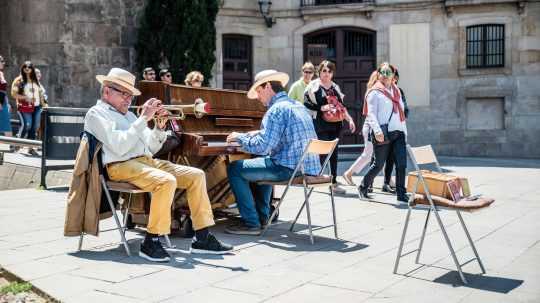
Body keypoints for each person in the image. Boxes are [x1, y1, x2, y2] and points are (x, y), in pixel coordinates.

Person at [84, 67, 233, 262]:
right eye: (124, 94)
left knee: (196, 175)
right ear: (106, 91)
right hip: (120, 166)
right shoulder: (96, 114)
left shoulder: (129, 116)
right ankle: (151, 242)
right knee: (166, 181)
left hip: (145, 162)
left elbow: (152, 148)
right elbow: (119, 146)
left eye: (130, 95)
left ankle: (202, 238)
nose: (129, 99)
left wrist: (159, 127)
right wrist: (144, 118)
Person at [225, 70, 321, 235]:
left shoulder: (276, 110)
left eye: (259, 91)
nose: (258, 97)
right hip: (307, 168)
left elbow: (263, 146)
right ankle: (264, 217)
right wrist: (256, 134)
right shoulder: (297, 105)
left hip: (289, 170)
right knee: (264, 158)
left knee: (235, 169)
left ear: (268, 86)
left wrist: (239, 137)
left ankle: (251, 223)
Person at [358, 62, 408, 203]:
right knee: (378, 164)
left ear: (393, 76)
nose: (385, 76)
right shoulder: (374, 92)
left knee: (401, 164)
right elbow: (371, 114)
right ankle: (363, 186)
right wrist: (377, 131)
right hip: (383, 133)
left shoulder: (397, 91)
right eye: (383, 73)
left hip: (398, 132)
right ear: (378, 75)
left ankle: (401, 193)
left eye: (389, 73)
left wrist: (405, 132)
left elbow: (401, 113)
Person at [304, 60, 355, 194]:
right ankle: (316, 178)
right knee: (321, 152)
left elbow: (341, 107)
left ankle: (333, 182)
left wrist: (349, 119)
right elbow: (306, 104)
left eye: (329, 71)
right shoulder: (312, 86)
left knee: (334, 153)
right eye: (324, 71)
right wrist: (321, 107)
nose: (326, 73)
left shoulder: (335, 87)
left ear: (332, 73)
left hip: (336, 124)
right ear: (319, 72)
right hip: (320, 124)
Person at [11, 61, 46, 156]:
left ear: (32, 69)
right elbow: (14, 94)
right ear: (22, 68)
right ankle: (16, 144)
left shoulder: (35, 80)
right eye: (25, 66)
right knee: (27, 125)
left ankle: (30, 148)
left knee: (34, 127)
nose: (27, 68)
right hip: (24, 107)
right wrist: (26, 97)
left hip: (37, 107)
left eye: (29, 67)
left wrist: (45, 105)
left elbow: (40, 94)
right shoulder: (18, 80)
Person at [0, 55, 14, 148]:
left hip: (3, 101)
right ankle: (11, 146)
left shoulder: (1, 73)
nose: (3, 63)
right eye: (1, 61)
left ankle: (10, 147)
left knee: (6, 125)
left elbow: (3, 90)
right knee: (5, 125)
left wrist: (7, 102)